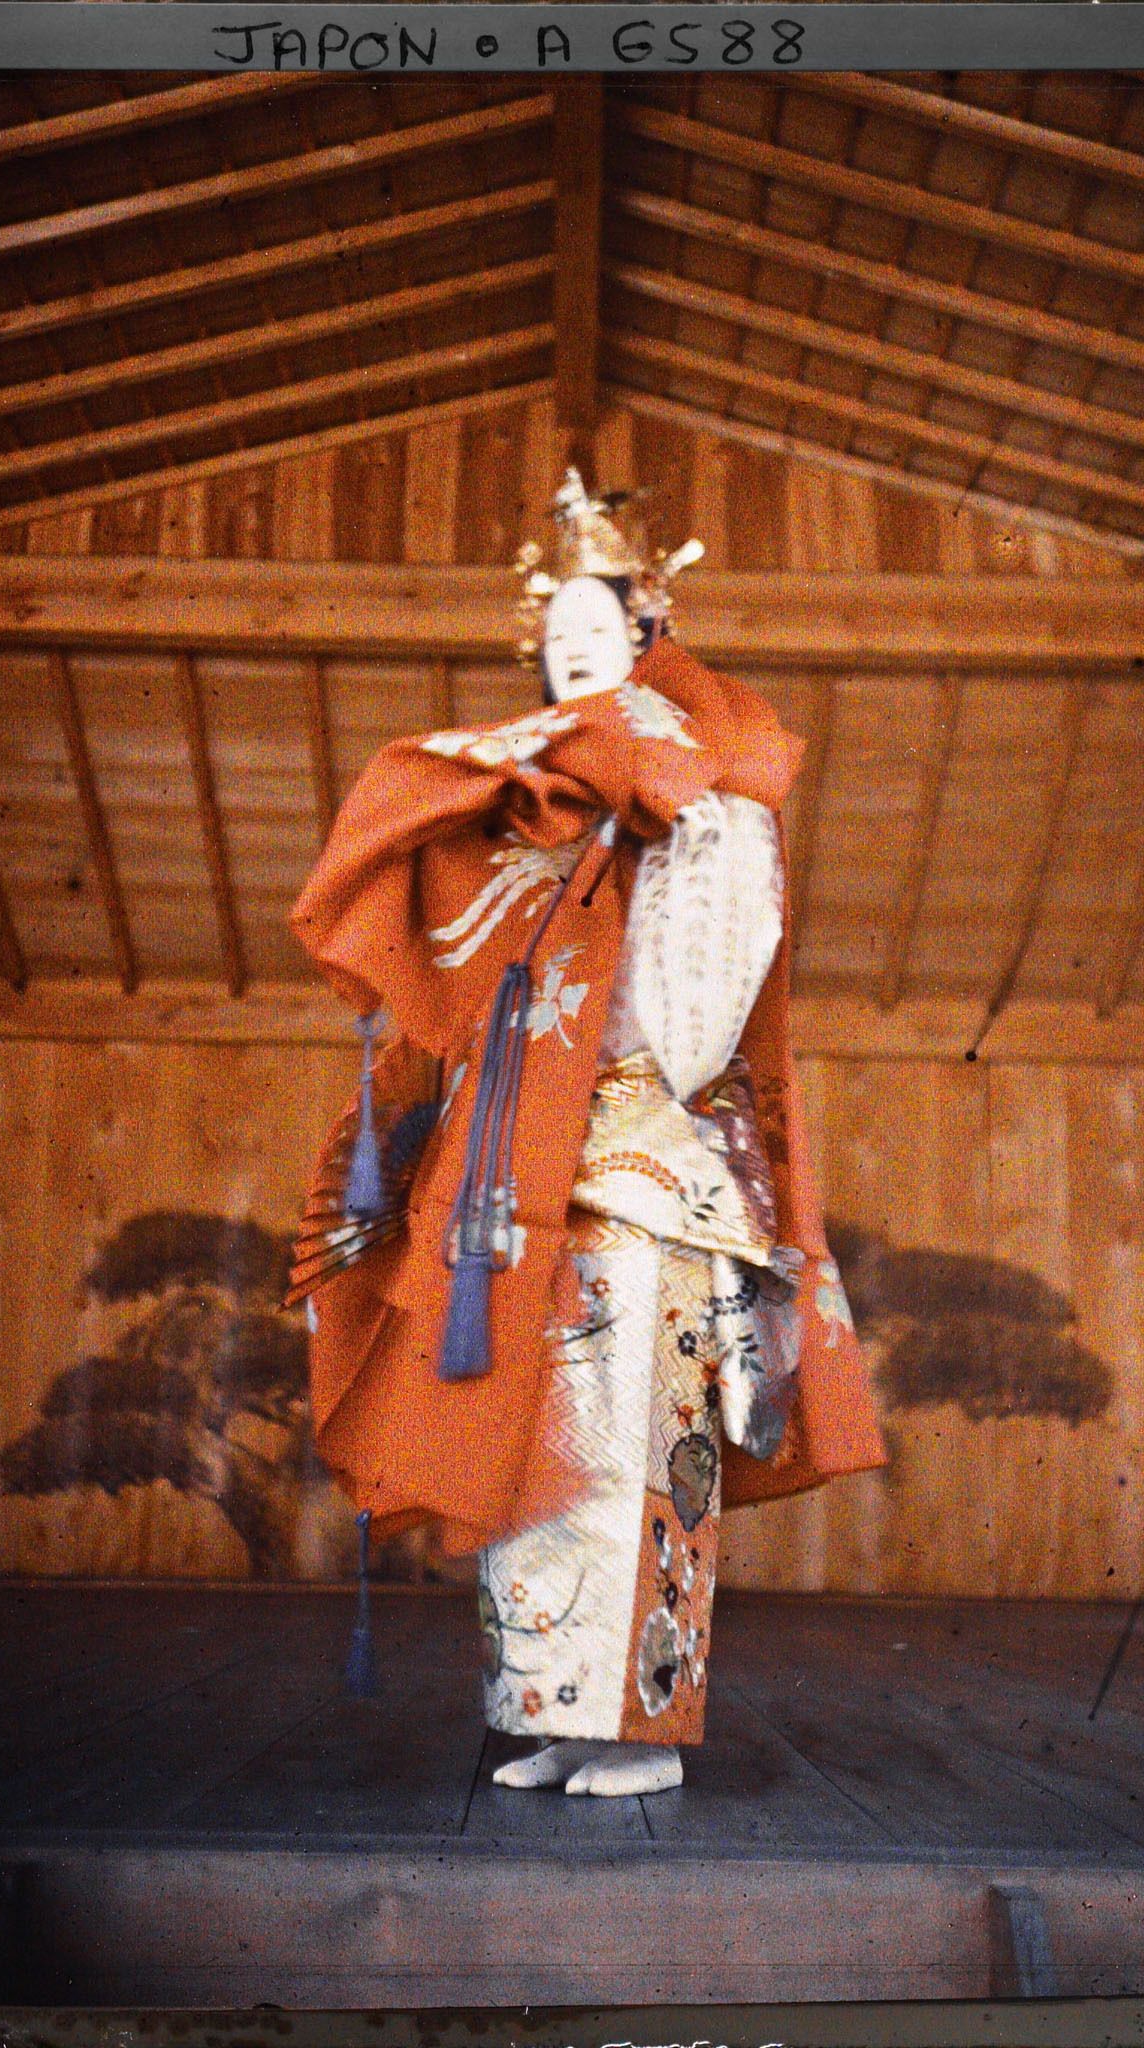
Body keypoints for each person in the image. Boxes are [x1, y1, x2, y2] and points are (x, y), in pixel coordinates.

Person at [289, 473, 887, 1797]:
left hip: (641, 1164)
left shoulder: (708, 781)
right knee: (525, 1447)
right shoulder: (523, 803)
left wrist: (655, 896)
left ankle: (647, 1731)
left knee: (629, 1441)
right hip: (520, 1170)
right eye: (550, 632)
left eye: (595, 625)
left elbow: (698, 1004)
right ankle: (556, 1713)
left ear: (647, 629)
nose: (568, 643)